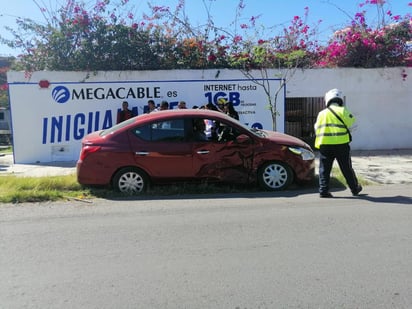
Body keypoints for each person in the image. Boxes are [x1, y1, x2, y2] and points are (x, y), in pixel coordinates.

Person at [314, 88, 362, 198]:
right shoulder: (343, 111)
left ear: (328, 100)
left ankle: (323, 191)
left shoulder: (321, 114)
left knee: (324, 169)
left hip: (324, 145)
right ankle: (354, 189)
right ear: (339, 100)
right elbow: (354, 126)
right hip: (341, 145)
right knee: (346, 168)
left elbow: (316, 129)